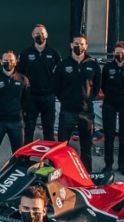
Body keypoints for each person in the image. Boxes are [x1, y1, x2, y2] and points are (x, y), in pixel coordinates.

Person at [52, 34, 100, 171]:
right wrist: (66, 100)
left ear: (86, 46)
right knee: (62, 147)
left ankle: (86, 176)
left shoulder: (93, 65)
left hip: (86, 113)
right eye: (76, 44)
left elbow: (96, 87)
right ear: (71, 45)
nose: (79, 46)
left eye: (82, 44)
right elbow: (56, 87)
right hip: (67, 112)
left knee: (86, 148)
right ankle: (62, 173)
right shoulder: (62, 65)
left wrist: (87, 100)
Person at [0, 50, 29, 187]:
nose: (9, 62)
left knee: (19, 155)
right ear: (1, 61)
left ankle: (17, 182)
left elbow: (26, 101)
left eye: (11, 60)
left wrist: (18, 112)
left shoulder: (22, 79)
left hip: (16, 123)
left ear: (16, 62)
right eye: (6, 60)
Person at [17, 24, 60, 142]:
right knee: (28, 131)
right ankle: (25, 160)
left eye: (42, 34)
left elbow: (59, 76)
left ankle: (49, 160)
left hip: (48, 98)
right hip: (31, 98)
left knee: (49, 132)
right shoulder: (25, 53)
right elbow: (19, 75)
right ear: (32, 35)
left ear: (47, 35)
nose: (40, 36)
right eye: (37, 34)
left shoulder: (54, 54)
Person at [100, 41, 124, 175]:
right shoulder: (107, 67)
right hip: (109, 104)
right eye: (117, 52)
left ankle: (122, 165)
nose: (119, 55)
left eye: (122, 53)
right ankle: (108, 165)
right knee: (108, 136)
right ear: (113, 53)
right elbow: (103, 85)